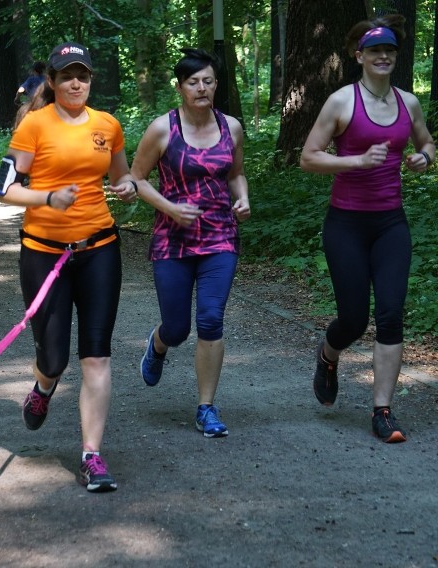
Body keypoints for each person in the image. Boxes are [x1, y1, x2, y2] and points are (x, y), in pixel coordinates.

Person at [0, 41, 137, 492]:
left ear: (90, 80)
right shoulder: (34, 125)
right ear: (53, 82)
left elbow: (120, 176)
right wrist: (46, 197)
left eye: (83, 75)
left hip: (99, 248)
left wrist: (128, 187)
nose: (76, 83)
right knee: (53, 358)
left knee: (96, 353)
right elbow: (5, 189)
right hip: (44, 251)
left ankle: (92, 455)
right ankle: (42, 387)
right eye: (67, 75)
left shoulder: (108, 125)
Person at [299, 15, 435, 443]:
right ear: (359, 56)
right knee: (354, 319)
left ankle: (383, 412)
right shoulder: (342, 102)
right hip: (346, 224)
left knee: (391, 314)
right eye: (375, 51)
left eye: (390, 51)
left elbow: (427, 143)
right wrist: (355, 162)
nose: (383, 57)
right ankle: (328, 353)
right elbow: (308, 157)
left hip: (391, 223)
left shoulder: (408, 103)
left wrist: (423, 159)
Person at [131, 48, 251, 439]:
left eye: (208, 81)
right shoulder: (162, 129)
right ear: (180, 87)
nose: (201, 88)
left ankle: (206, 407)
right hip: (173, 240)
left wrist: (243, 198)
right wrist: (171, 208)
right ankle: (159, 343)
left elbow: (236, 174)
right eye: (193, 82)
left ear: (217, 84)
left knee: (211, 320)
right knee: (179, 327)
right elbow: (137, 179)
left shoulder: (231, 126)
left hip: (220, 235)